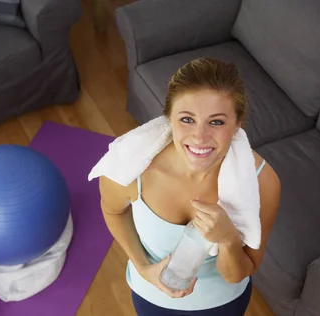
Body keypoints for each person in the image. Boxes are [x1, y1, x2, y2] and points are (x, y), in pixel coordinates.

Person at [98, 57, 281, 315]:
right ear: (168, 118)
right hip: (152, 296)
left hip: (221, 305)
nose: (199, 136)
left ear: (237, 124)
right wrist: (142, 267)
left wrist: (228, 239)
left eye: (216, 122)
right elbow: (113, 210)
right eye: (187, 119)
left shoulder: (262, 182)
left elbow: (238, 274)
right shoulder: (131, 167)